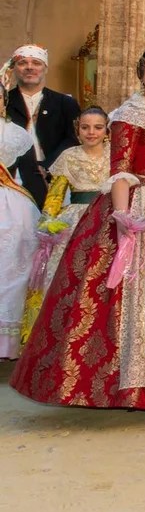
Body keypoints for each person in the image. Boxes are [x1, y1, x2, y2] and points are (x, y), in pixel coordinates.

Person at [11, 47, 145, 409]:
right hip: (140, 205)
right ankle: (135, 387)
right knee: (138, 293)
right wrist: (123, 219)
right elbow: (121, 169)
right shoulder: (128, 114)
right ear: (140, 71)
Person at [20, 108, 111, 345]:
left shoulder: (116, 155)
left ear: (107, 130)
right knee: (71, 276)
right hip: (76, 221)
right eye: (85, 127)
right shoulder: (69, 156)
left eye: (98, 127)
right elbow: (56, 194)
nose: (91, 132)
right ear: (77, 130)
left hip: (107, 217)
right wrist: (48, 220)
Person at [3, 43, 81, 205]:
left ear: (45, 68)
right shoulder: (5, 103)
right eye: (23, 63)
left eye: (36, 63)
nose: (29, 67)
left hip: (54, 176)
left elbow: (73, 138)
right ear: (14, 68)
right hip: (14, 177)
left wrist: (48, 165)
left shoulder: (65, 103)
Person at [0, 111, 43, 358]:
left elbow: (30, 174)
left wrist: (46, 209)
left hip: (12, 207)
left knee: (12, 270)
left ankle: (8, 346)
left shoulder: (15, 133)